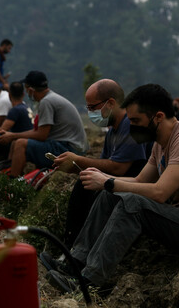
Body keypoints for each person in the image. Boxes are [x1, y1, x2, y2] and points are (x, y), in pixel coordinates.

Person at [45, 84, 179, 294]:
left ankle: (88, 282)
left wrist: (108, 181)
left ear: (157, 117)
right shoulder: (160, 143)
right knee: (108, 195)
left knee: (133, 203)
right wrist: (102, 178)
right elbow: (140, 180)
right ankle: (75, 262)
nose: (133, 128)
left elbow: (160, 192)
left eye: (136, 121)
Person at [50, 79, 150, 247]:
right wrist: (74, 166)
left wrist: (78, 160)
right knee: (85, 182)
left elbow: (119, 167)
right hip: (122, 180)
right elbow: (102, 164)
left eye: (92, 107)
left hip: (135, 184)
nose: (90, 113)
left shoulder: (129, 124)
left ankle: (75, 247)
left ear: (110, 103)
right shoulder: (113, 131)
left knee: (88, 187)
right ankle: (71, 244)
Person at [0, 71, 88, 177]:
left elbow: (41, 135)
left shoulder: (46, 102)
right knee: (15, 142)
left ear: (30, 90)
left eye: (26, 89)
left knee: (20, 144)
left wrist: (13, 135)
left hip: (69, 150)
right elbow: (39, 131)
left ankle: (13, 184)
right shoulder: (51, 98)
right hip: (71, 146)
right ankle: (10, 172)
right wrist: (12, 137)